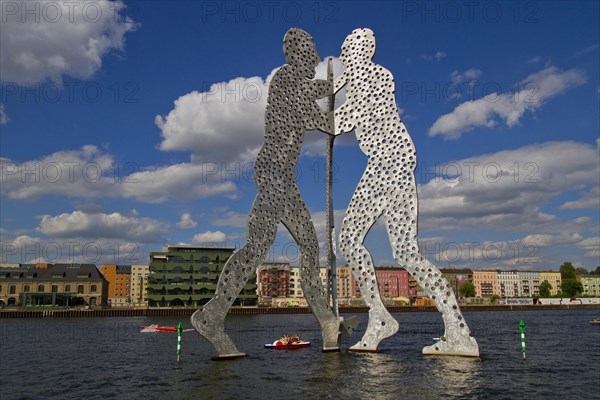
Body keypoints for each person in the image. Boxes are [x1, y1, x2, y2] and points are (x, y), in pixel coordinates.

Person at [191, 28, 341, 358]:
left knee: (266, 247)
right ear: (295, 56)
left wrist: (337, 82)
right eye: (310, 54)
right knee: (298, 246)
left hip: (280, 175)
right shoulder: (287, 81)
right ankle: (327, 322)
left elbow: (321, 88)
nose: (315, 59)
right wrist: (350, 95)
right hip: (275, 175)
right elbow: (325, 120)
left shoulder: (294, 82)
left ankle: (214, 316)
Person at [332, 28, 479, 356]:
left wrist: (306, 115)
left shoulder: (375, 77)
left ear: (361, 52)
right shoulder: (361, 77)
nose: (343, 59)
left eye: (347, 52)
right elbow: (338, 99)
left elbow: (344, 118)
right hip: (393, 161)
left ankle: (383, 317)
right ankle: (455, 330)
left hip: (388, 161)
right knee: (405, 252)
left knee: (350, 240)